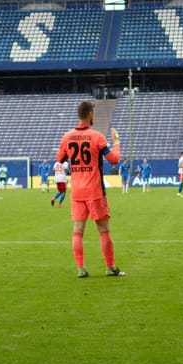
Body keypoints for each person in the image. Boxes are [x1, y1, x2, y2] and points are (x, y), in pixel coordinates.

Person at [57, 100, 122, 278]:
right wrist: (116, 141)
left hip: (77, 191)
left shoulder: (67, 136)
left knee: (78, 230)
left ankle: (81, 268)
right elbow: (114, 159)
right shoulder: (97, 136)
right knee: (103, 229)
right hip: (94, 191)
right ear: (91, 114)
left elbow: (60, 158)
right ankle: (110, 267)